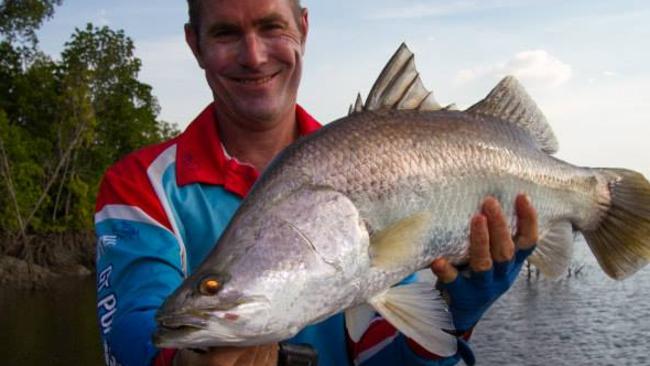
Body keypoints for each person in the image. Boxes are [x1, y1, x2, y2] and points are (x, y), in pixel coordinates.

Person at [94, 0, 539, 365]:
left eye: (272, 27)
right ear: (195, 44)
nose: (253, 55)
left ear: (303, 29)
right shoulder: (141, 185)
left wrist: (454, 313)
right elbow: (136, 327)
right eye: (226, 33)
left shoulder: (370, 168)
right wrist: (185, 363)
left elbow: (379, 357)